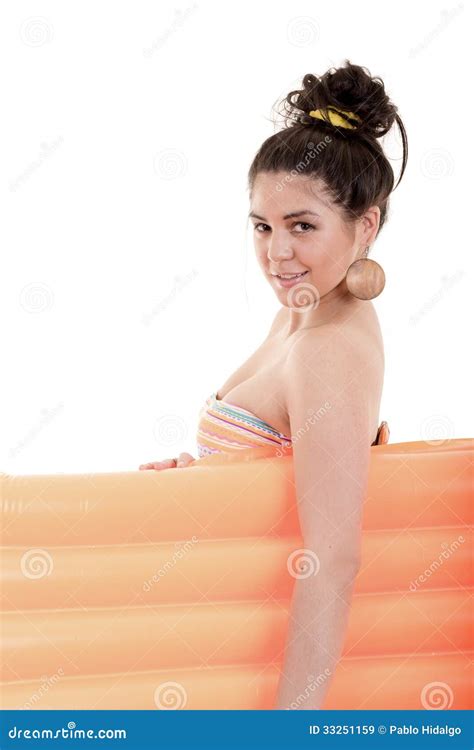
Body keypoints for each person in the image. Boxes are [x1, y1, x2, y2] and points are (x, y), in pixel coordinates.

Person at [139, 59, 407, 709]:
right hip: (220, 647)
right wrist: (209, 485)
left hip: (263, 682)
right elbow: (282, 471)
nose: (276, 254)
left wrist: (287, 731)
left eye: (303, 226)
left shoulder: (330, 348)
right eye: (263, 225)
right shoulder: (301, 309)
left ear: (364, 226)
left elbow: (333, 559)